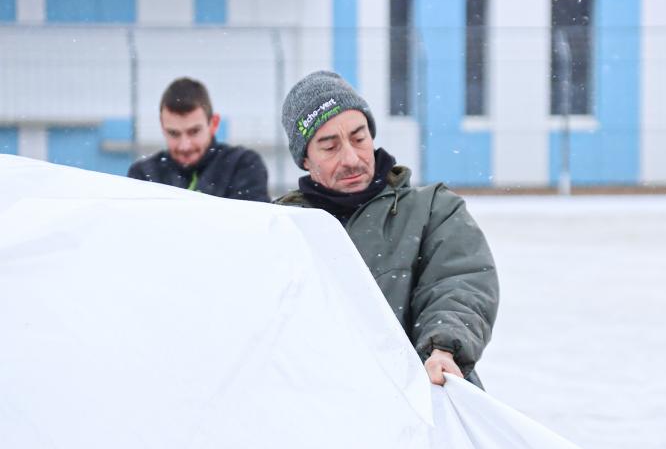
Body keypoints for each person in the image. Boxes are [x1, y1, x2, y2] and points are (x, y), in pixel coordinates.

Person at [274, 71, 498, 387]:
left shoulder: (433, 210)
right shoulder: (280, 229)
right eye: (329, 146)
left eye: (358, 138)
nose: (351, 158)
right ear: (305, 160)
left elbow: (459, 283)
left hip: (419, 400)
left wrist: (443, 346)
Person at [127, 77, 270, 202]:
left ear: (213, 124)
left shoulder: (242, 165)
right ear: (162, 127)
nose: (185, 146)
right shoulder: (143, 174)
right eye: (174, 133)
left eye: (194, 131)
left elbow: (251, 227)